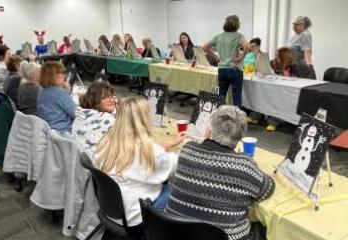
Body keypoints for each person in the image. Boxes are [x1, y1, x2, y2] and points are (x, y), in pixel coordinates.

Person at [166, 105, 275, 240]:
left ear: (209, 129)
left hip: (176, 233)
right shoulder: (244, 166)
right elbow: (268, 189)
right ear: (240, 136)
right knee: (264, 228)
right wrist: (246, 162)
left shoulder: (187, 151)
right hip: (224, 236)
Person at [95, 97, 185, 228]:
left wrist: (169, 144)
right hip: (136, 218)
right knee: (177, 191)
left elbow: (142, 153)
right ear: (143, 119)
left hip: (110, 210)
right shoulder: (150, 152)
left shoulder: (106, 141)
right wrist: (188, 147)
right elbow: (178, 165)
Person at [203, 15, 249, 107]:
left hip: (222, 70)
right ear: (237, 24)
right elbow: (247, 46)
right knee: (236, 98)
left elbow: (204, 47)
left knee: (221, 97)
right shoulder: (239, 36)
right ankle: (236, 120)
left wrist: (215, 56)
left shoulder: (219, 36)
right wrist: (241, 57)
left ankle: (219, 118)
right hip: (235, 70)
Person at [72, 82, 117, 159]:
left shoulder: (80, 115)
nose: (111, 100)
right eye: (105, 97)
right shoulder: (107, 120)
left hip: (81, 162)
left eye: (111, 96)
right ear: (95, 100)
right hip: (98, 165)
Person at [37, 61, 76, 133]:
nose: (65, 76)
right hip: (64, 133)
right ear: (54, 75)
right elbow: (76, 114)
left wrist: (66, 91)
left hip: (48, 131)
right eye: (62, 73)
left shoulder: (41, 92)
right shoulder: (59, 93)